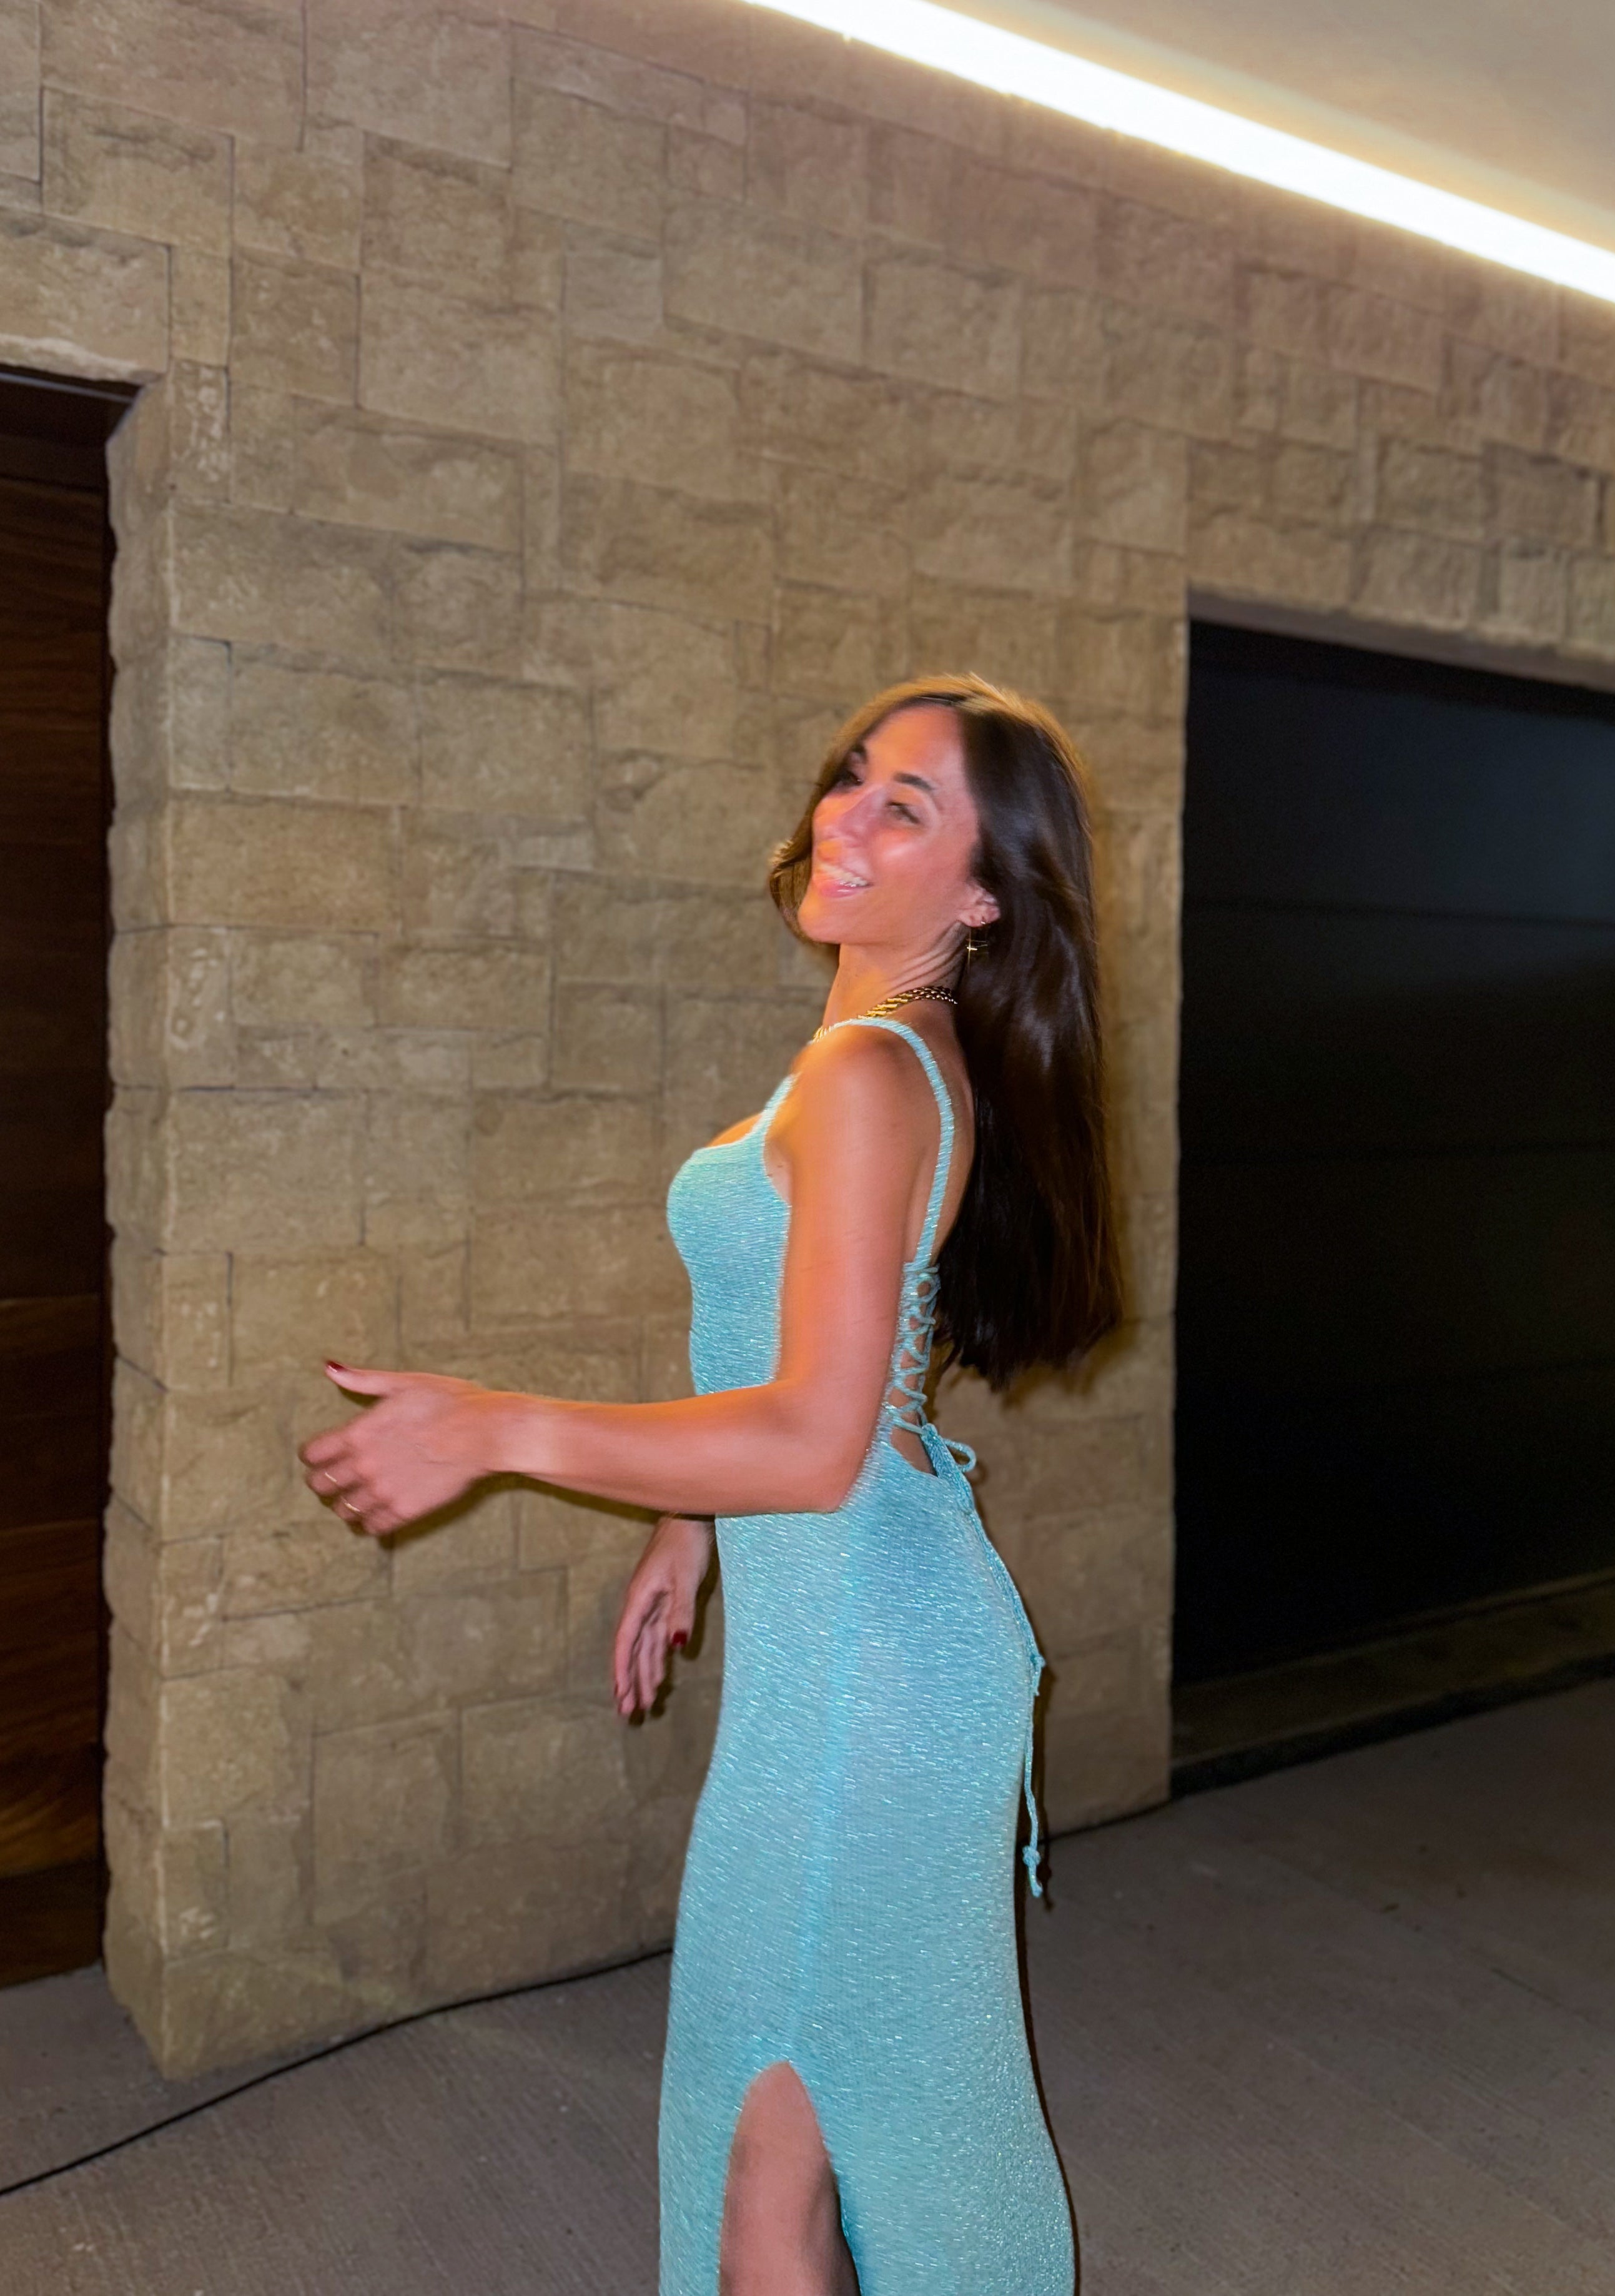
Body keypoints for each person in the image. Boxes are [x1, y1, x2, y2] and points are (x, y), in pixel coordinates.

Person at [300, 673, 1124, 2296]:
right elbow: (810, 1352)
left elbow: (815, 1440)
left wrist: (498, 1427)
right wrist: (688, 1523)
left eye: (906, 805)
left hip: (870, 1687)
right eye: (854, 775)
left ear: (982, 896)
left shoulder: (871, 1075)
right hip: (857, 1656)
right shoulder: (881, 1059)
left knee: (778, 2152)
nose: (845, 813)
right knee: (781, 2150)